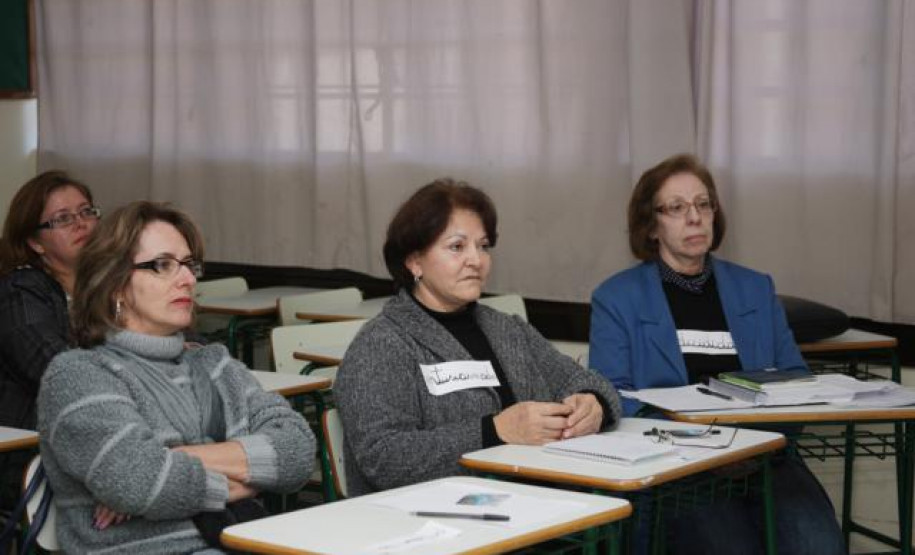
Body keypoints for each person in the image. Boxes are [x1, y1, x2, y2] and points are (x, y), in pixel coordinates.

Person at [589, 153, 844, 554]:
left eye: (703, 203)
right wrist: (704, 447)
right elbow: (613, 396)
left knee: (821, 547)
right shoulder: (617, 298)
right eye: (676, 207)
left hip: (764, 458)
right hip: (681, 466)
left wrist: (755, 447)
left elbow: (797, 380)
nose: (694, 217)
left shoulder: (755, 289)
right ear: (651, 225)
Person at [37, 201, 315, 553]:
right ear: (115, 284)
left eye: (188, 264)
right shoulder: (77, 375)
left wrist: (177, 457)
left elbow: (297, 451)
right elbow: (140, 481)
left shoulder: (213, 363)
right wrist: (251, 478)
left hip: (239, 542)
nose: (187, 279)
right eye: (162, 265)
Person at [335, 178, 621, 497]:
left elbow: (582, 380)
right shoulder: (382, 343)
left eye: (483, 246)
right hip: (434, 520)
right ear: (414, 261)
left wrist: (593, 404)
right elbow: (384, 457)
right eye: (457, 247)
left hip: (535, 504)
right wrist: (495, 431)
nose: (476, 260)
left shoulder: (506, 328)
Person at [0, 170, 100, 510]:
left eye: (87, 211)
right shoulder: (21, 292)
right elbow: (59, 370)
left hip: (105, 437)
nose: (81, 223)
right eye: (63, 218)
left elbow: (186, 346)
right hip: (35, 451)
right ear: (35, 242)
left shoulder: (114, 282)